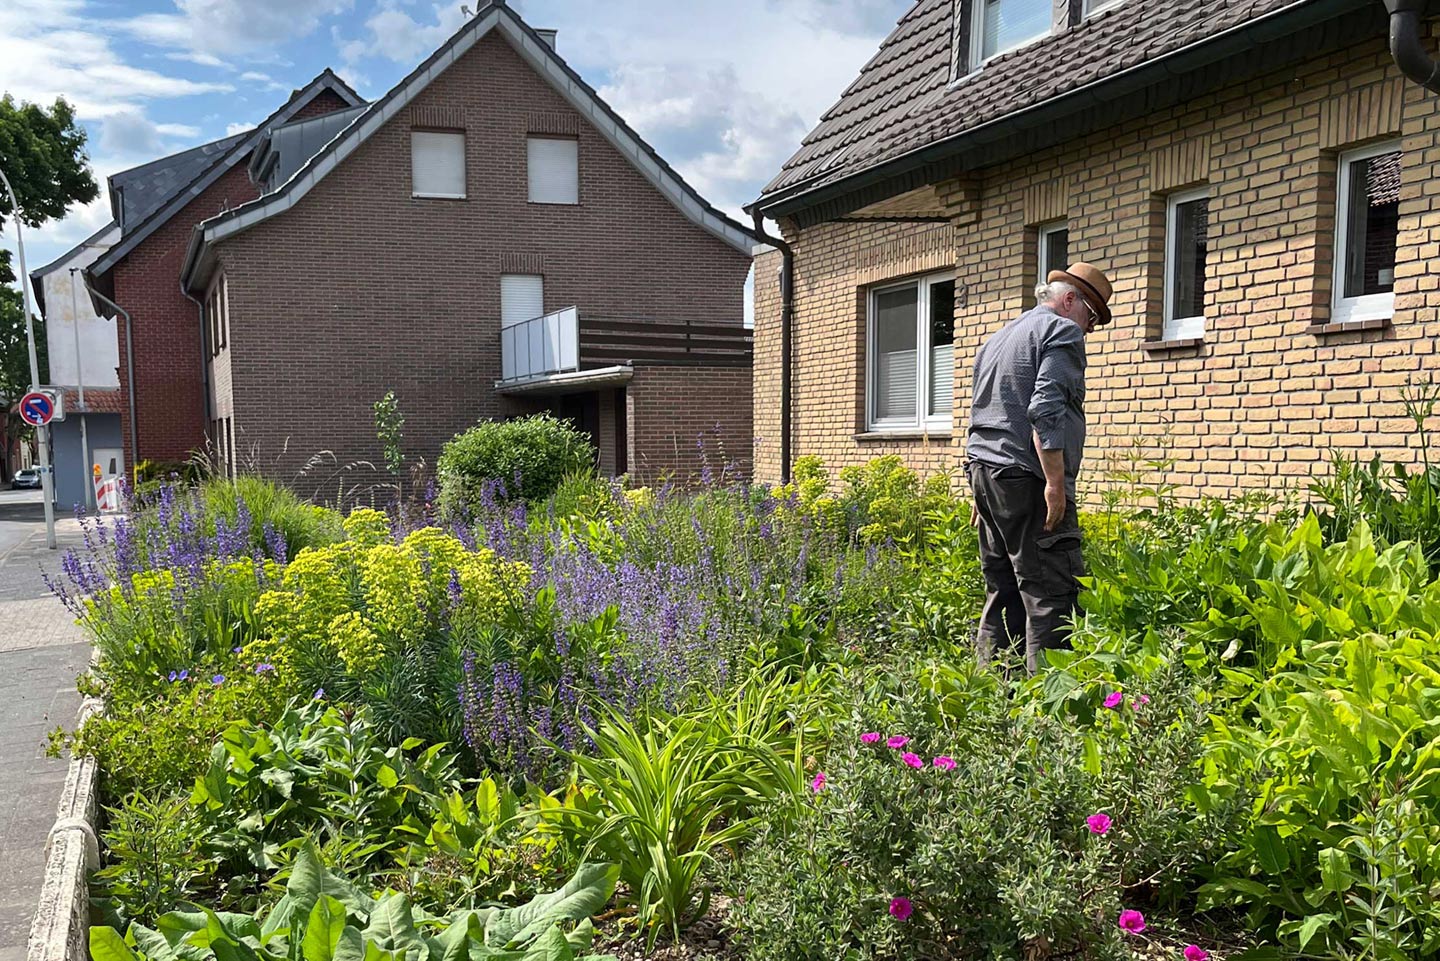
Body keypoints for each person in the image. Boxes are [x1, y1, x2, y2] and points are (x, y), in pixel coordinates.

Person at [965, 262, 1113, 673]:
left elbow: (981, 409)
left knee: (1004, 589)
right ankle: (1048, 717)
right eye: (1092, 316)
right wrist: (1054, 482)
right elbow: (1045, 410)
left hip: (986, 472)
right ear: (1070, 301)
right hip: (1027, 479)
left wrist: (980, 489)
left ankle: (994, 698)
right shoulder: (1060, 331)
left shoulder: (1000, 337)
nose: (1090, 329)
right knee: (1051, 593)